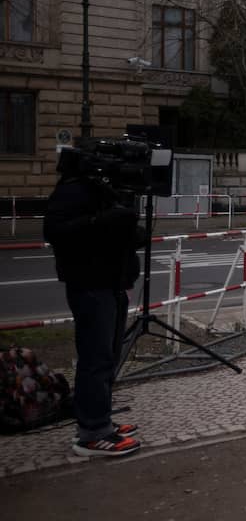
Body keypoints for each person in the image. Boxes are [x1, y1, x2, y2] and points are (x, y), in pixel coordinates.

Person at [42, 152, 146, 457]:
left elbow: (112, 234)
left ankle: (101, 421)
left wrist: (129, 232)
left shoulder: (100, 190)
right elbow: (55, 232)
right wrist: (102, 222)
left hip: (111, 282)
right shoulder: (72, 190)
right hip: (91, 284)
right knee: (96, 358)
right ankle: (92, 433)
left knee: (107, 356)